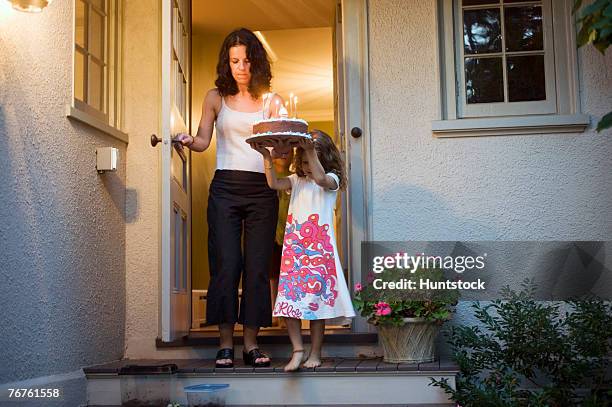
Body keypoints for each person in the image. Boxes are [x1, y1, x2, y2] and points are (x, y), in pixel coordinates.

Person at [177, 28, 286, 368]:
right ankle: (225, 343)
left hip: (262, 189)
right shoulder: (215, 98)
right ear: (227, 62)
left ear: (257, 63)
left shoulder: (272, 101)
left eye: (247, 60)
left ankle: (251, 344)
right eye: (235, 60)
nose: (241, 67)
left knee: (256, 266)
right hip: (224, 188)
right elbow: (202, 141)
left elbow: (281, 156)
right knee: (226, 264)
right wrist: (183, 139)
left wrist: (279, 149)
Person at [251, 130, 356, 372]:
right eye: (305, 162)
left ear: (325, 158)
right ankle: (297, 349)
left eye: (312, 161)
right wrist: (267, 158)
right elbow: (273, 183)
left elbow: (320, 179)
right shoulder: (297, 181)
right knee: (289, 301)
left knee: (316, 307)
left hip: (319, 253)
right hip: (295, 252)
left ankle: (315, 352)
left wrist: (309, 149)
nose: (308, 167)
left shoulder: (331, 179)